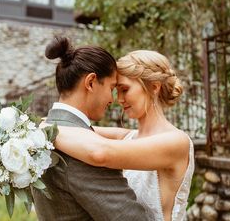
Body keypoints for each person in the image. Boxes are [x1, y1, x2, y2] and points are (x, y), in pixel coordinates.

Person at [53, 50, 194, 221]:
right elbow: (77, 127)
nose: (118, 99)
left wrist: (46, 130)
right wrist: (31, 125)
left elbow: (100, 152)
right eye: (115, 90)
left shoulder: (176, 142)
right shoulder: (128, 137)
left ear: (154, 87)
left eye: (124, 89)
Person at [32, 37, 149, 221]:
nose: (113, 99)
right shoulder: (82, 150)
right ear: (91, 82)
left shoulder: (41, 135)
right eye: (111, 88)